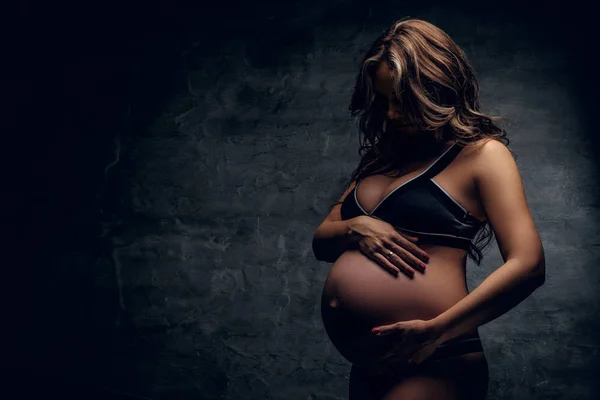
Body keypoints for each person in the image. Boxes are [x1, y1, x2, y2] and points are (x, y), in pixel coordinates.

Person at [312, 18, 546, 399]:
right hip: (371, 366)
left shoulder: (483, 156)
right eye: (383, 100)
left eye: (400, 101)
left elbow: (529, 264)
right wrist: (356, 227)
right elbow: (322, 242)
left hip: (436, 357)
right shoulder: (380, 159)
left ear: (435, 89)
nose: (390, 115)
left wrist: (437, 330)